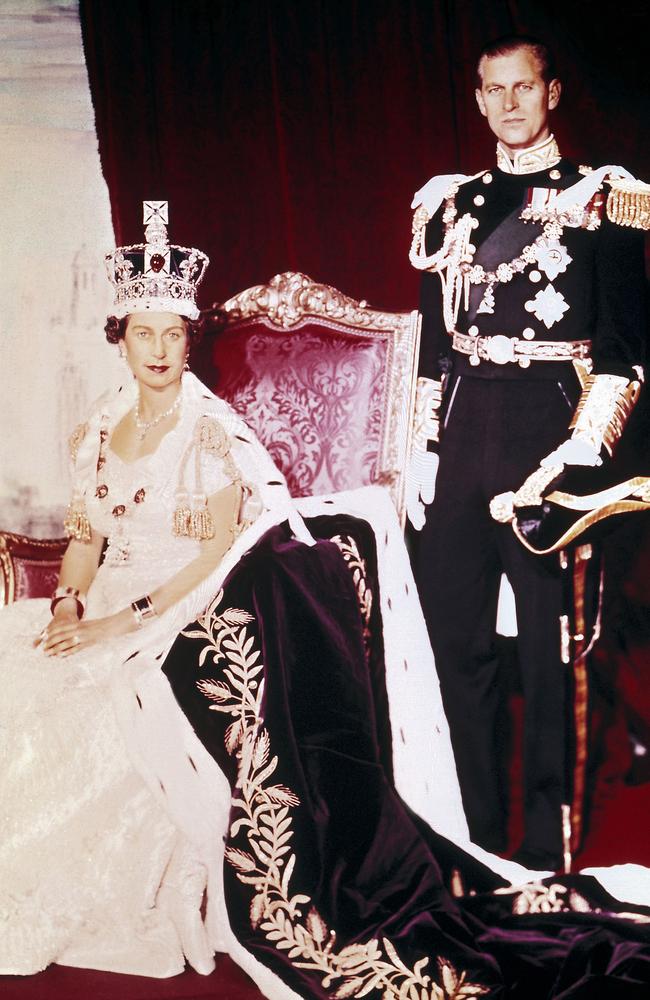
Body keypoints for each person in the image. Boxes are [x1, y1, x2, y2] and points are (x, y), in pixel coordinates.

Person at [408, 35, 648, 870]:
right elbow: (434, 347)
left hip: (551, 430)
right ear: (478, 100)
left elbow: (623, 349)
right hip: (466, 429)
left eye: (524, 87)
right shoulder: (448, 203)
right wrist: (422, 452)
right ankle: (475, 840)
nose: (509, 103)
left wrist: (583, 453)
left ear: (552, 92)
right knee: (459, 648)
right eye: (493, 90)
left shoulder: (607, 197)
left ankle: (546, 855)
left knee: (549, 658)